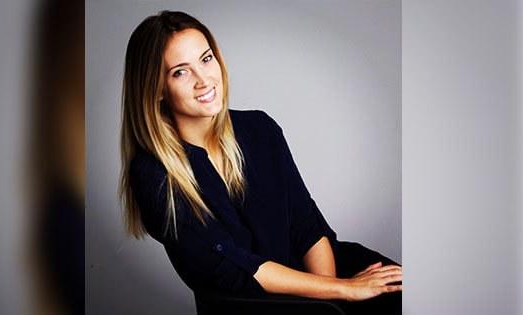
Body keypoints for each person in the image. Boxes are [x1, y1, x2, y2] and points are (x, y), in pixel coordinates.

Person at [119, 10, 402, 314]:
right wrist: (342, 293)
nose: (204, 80)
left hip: (317, 275)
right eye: (180, 71)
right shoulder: (153, 174)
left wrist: (332, 294)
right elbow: (234, 265)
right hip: (249, 300)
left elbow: (307, 226)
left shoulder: (259, 129)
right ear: (156, 89)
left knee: (400, 292)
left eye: (206, 59)